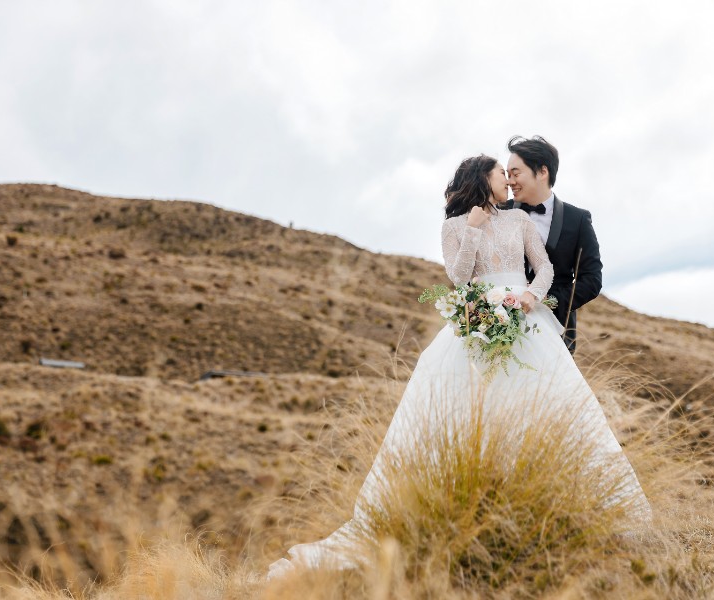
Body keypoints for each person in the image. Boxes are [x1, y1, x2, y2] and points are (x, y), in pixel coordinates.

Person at [267, 155, 649, 579]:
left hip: (526, 322)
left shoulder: (520, 221)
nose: (507, 179)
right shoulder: (452, 228)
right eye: (499, 174)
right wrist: (471, 231)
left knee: (543, 405)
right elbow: (460, 279)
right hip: (475, 323)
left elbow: (543, 268)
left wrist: (531, 297)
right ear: (481, 180)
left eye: (511, 172)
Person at [501, 136, 601, 354]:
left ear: (542, 172)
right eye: (508, 175)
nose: (510, 182)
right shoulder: (499, 212)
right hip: (498, 331)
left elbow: (592, 280)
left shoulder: (578, 220)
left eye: (516, 173)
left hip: (555, 335)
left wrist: (548, 300)